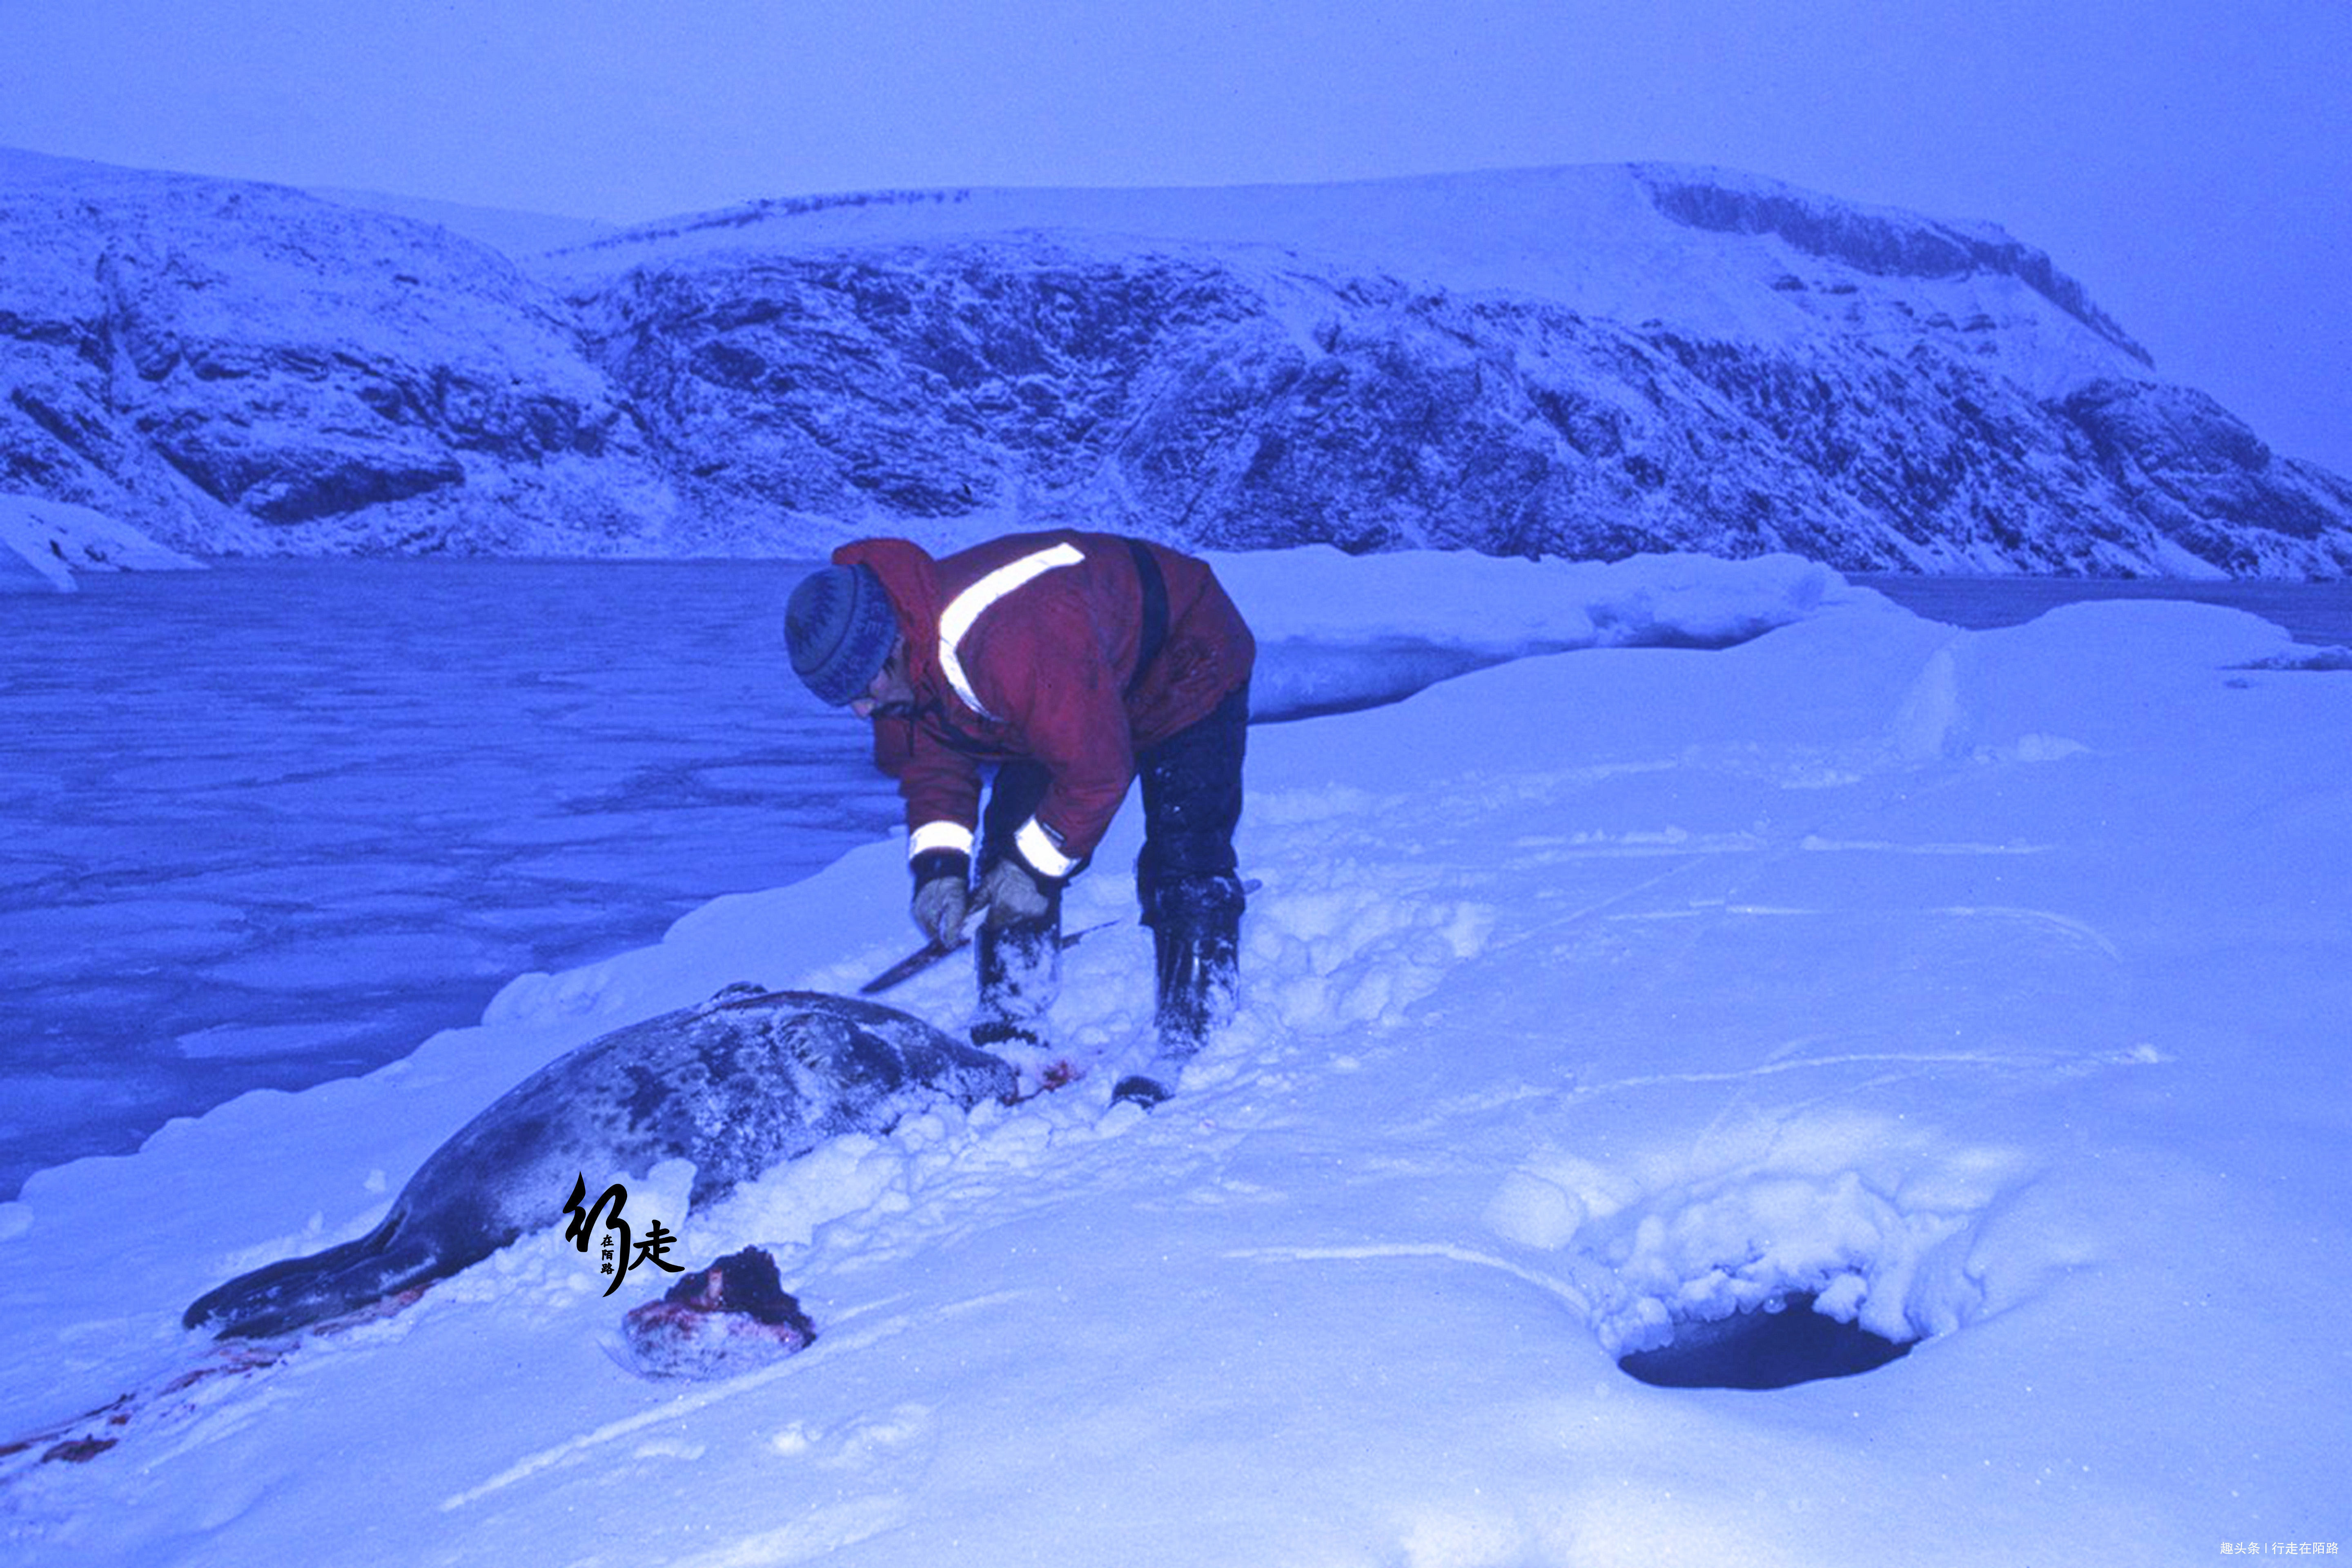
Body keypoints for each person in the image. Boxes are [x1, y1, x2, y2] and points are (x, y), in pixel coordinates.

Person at [783, 531, 1255, 1107]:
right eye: (845, 700)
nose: (861, 708)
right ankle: (1010, 1018)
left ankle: (1194, 1032)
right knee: (1012, 831)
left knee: (1184, 849)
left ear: (892, 647)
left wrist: (1033, 871)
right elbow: (933, 769)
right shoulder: (897, 670)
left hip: (1184, 658)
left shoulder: (1010, 641)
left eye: (864, 689)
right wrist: (940, 871)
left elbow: (1097, 772)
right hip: (1071, 684)